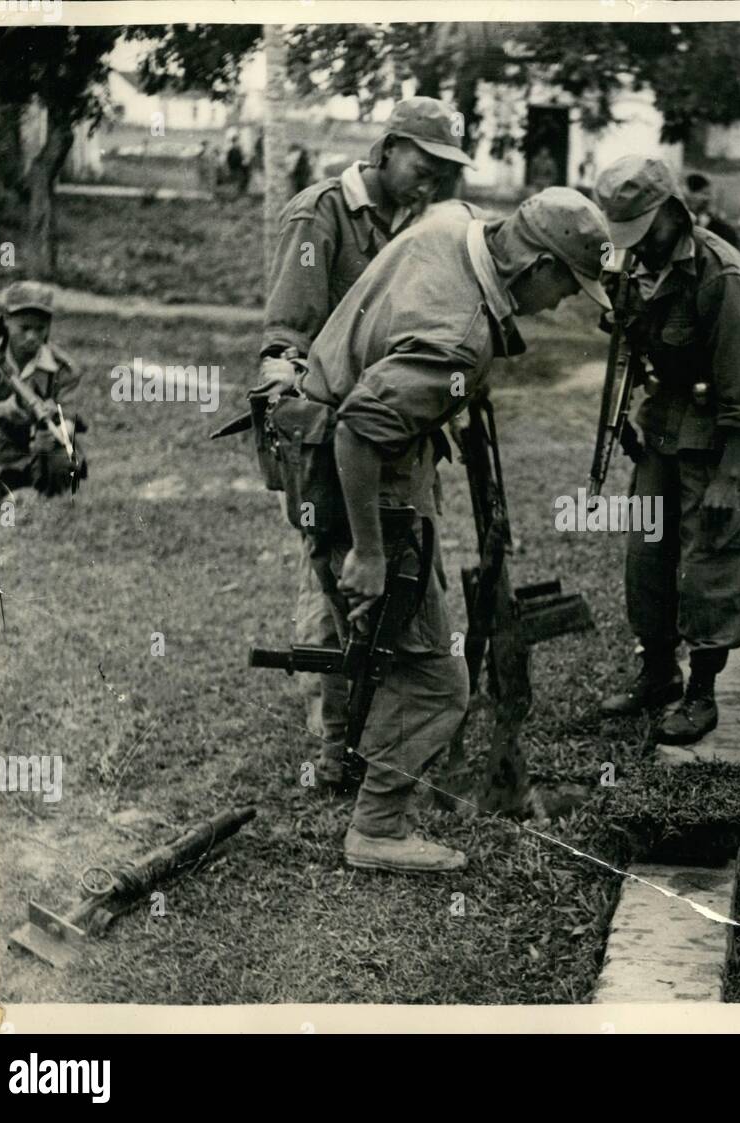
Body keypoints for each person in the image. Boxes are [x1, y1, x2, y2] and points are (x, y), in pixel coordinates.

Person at [294, 188, 611, 871]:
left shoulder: (454, 223)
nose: (560, 305)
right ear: (535, 267)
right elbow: (357, 428)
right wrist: (373, 552)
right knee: (437, 676)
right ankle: (377, 827)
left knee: (382, 635)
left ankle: (343, 759)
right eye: (564, 288)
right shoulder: (458, 341)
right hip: (356, 468)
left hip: (353, 450)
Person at [259, 96, 473, 791]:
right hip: (334, 442)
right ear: (386, 148)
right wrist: (305, 440)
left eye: (446, 170)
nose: (432, 179)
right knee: (335, 587)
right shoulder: (321, 215)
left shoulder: (422, 222)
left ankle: (385, 736)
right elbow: (285, 341)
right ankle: (333, 747)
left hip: (399, 438)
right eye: (424, 161)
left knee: (405, 581)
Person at [595, 156, 740, 746]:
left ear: (674, 212)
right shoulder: (634, 269)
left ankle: (702, 693)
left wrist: (729, 477)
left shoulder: (723, 278)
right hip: (662, 431)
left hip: (718, 440)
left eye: (644, 232)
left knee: (711, 563)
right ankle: (657, 672)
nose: (635, 247)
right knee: (647, 557)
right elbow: (632, 350)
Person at [0, 281, 87, 510]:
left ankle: (16, 489)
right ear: (6, 320)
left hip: (37, 448)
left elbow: (69, 422)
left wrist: (54, 425)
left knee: (65, 465)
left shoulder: (64, 369)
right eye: (24, 328)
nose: (32, 337)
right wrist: (4, 409)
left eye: (40, 329)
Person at [683, 173, 740, 250]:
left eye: (708, 194)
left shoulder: (717, 226)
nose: (708, 198)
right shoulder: (678, 218)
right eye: (704, 193)